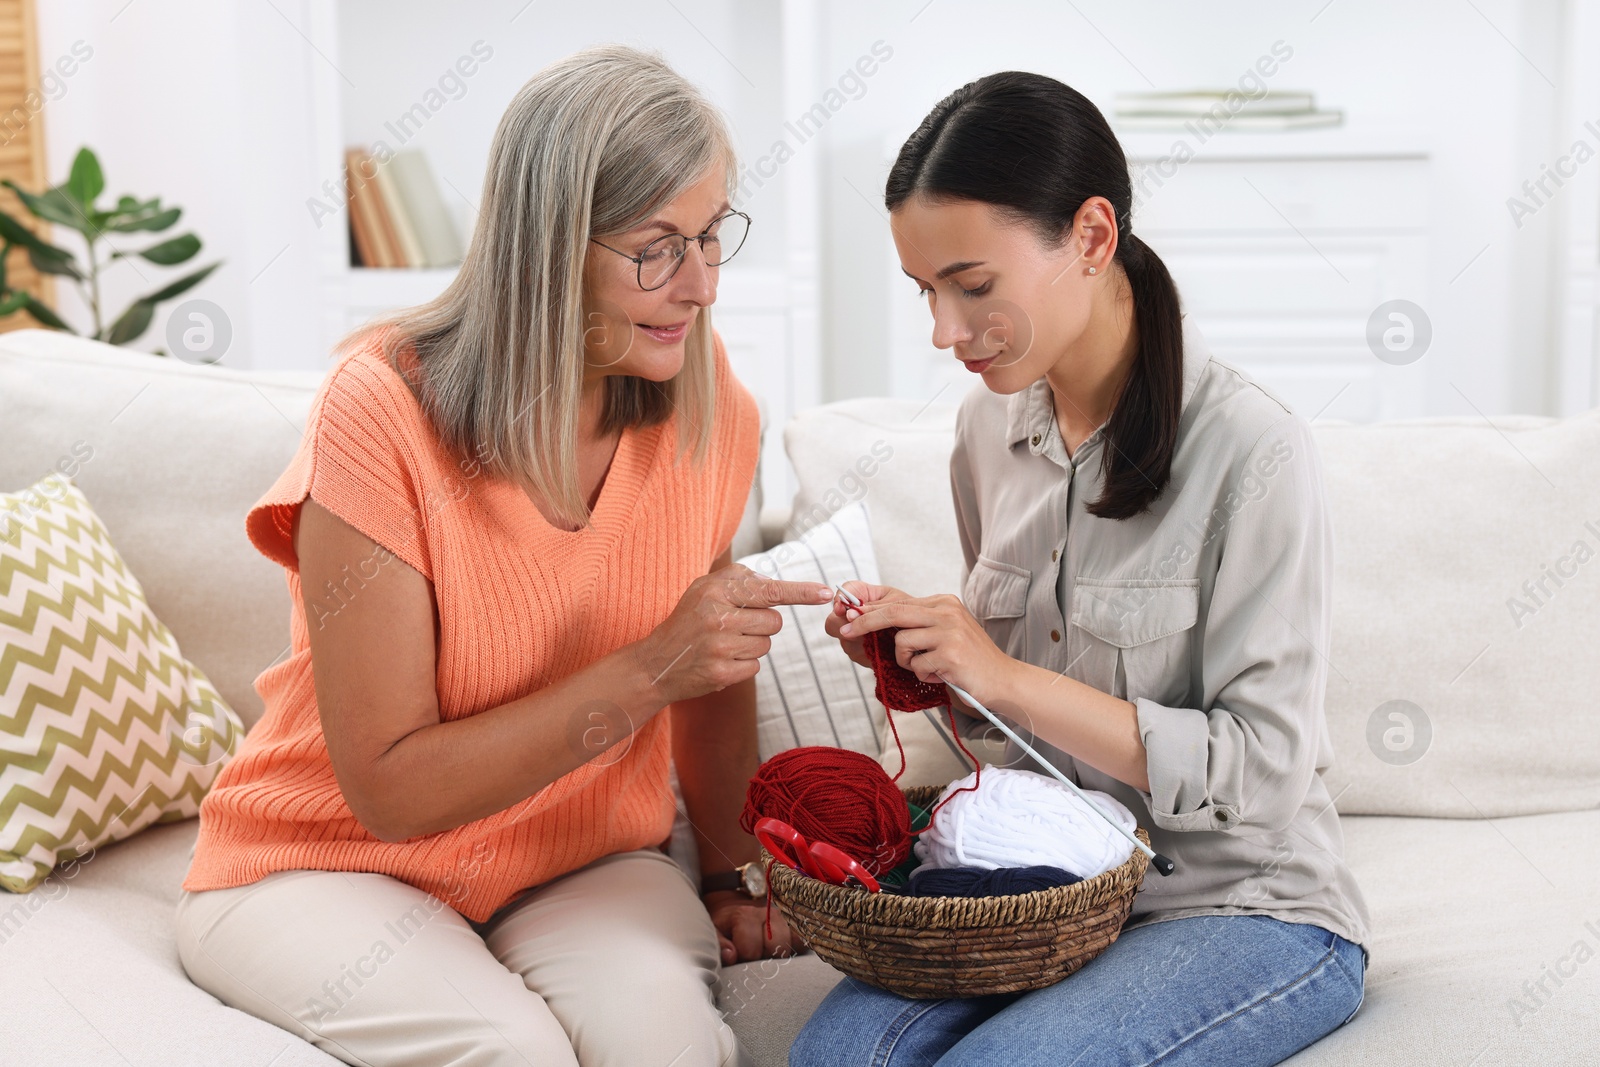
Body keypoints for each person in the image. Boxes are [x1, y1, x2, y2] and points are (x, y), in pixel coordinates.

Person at [174, 45, 820, 1067]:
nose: (697, 286)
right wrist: (650, 664)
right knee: (510, 1048)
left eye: (709, 236)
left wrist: (736, 871)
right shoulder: (382, 406)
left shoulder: (708, 402)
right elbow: (391, 788)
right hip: (329, 862)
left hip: (579, 857)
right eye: (655, 247)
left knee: (666, 1047)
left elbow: (708, 672)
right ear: (549, 246)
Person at [794, 70, 1371, 1067]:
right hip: (1043, 885)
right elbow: (1011, 733)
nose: (942, 330)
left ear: (1092, 238)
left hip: (1238, 902)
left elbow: (1264, 771)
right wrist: (938, 660)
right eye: (926, 291)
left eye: (972, 286)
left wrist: (1006, 671)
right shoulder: (987, 430)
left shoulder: (1252, 448)